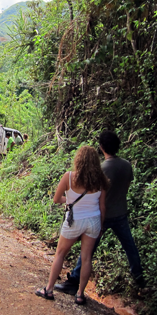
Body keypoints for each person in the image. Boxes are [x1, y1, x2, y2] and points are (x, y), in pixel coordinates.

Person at [54, 130, 146, 295]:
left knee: (87, 252)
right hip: (121, 212)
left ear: (102, 147)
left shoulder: (101, 169)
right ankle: (138, 275)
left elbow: (94, 196)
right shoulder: (126, 165)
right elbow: (125, 187)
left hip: (100, 214)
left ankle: (74, 281)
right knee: (129, 245)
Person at [35, 146, 107, 305]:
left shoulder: (69, 177)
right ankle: (80, 294)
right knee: (86, 258)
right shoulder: (100, 181)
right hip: (93, 221)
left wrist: (69, 201)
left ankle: (49, 289)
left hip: (74, 220)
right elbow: (102, 207)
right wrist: (101, 226)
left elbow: (56, 199)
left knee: (60, 254)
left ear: (78, 160)